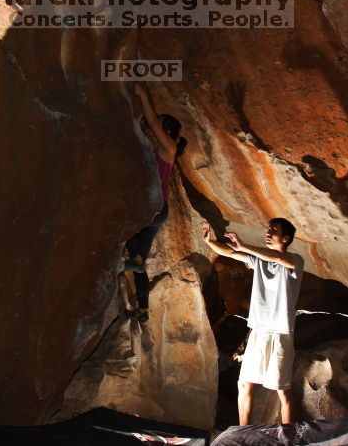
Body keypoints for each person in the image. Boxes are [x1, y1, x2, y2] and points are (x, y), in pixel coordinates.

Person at [199, 218, 304, 425]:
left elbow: (278, 258)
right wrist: (210, 241)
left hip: (280, 332)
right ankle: (243, 430)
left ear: (285, 238)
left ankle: (287, 434)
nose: (268, 232)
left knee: (282, 390)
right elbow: (230, 252)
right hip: (258, 331)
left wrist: (245, 246)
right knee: (245, 383)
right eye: (268, 229)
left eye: (274, 230)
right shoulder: (260, 261)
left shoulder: (296, 260)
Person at [123, 82, 187, 323]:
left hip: (152, 209)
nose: (151, 130)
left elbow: (150, 122)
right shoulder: (154, 149)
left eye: (157, 126)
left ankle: (133, 260)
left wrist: (143, 95)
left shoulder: (168, 147)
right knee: (140, 262)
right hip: (156, 212)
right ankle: (143, 309)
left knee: (124, 223)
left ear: (164, 130)